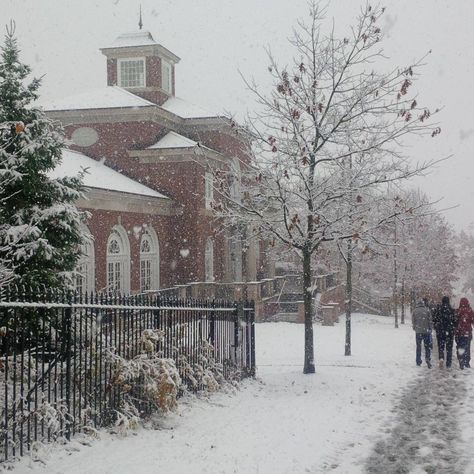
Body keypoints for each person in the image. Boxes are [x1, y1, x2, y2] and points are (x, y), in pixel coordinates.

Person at [432, 296, 457, 368]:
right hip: (449, 331)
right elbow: (455, 321)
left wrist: (436, 326)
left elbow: (434, 319)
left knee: (441, 346)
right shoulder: (452, 310)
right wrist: (452, 327)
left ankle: (441, 358)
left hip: (440, 331)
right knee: (449, 348)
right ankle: (448, 363)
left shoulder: (438, 309)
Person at [412, 299, 432, 368]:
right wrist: (430, 328)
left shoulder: (414, 311)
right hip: (426, 331)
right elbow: (430, 321)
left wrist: (415, 328)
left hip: (418, 332)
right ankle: (428, 359)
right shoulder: (427, 310)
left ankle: (418, 361)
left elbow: (413, 321)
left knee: (418, 347)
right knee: (427, 347)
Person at [455, 298, 474, 369]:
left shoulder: (458, 311)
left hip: (459, 332)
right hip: (468, 332)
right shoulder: (470, 310)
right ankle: (467, 362)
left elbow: (455, 322)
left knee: (460, 347)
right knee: (467, 347)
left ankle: (461, 360)